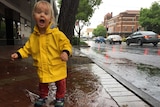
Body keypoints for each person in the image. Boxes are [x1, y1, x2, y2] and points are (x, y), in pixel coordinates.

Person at [11, 0, 72, 107]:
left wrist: (65, 52)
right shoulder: (34, 37)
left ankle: (60, 97)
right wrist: (19, 54)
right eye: (39, 12)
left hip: (57, 65)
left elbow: (66, 43)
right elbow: (27, 48)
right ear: (34, 15)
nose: (42, 15)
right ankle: (43, 96)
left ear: (50, 18)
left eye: (46, 13)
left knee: (60, 83)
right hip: (42, 66)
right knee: (43, 83)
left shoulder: (57, 34)